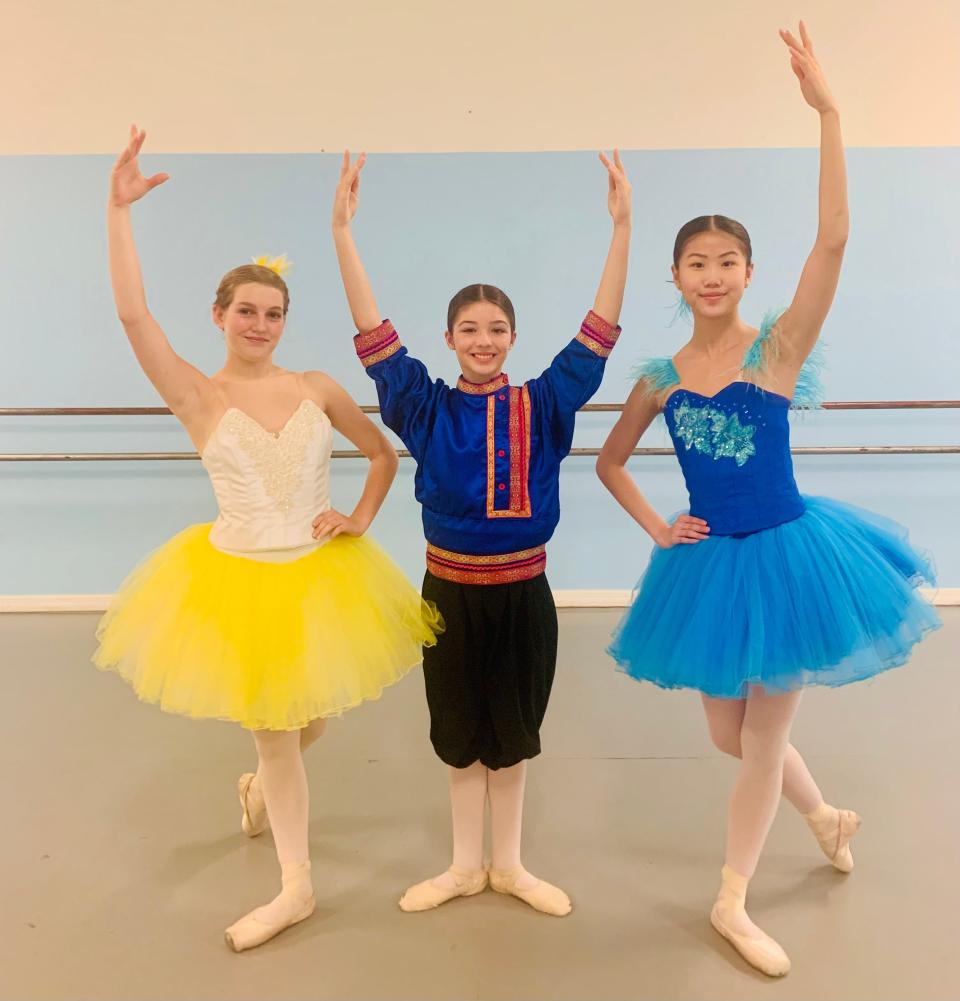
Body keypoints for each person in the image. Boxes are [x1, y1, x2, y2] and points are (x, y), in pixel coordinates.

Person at [597, 25, 940, 976]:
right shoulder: (662, 375)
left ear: (747, 273)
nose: (712, 274)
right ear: (676, 278)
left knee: (760, 739)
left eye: (727, 261)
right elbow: (611, 462)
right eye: (696, 262)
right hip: (706, 559)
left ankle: (731, 898)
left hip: (789, 555)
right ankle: (827, 815)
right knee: (727, 730)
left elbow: (833, 239)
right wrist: (659, 524)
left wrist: (829, 112)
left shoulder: (774, 351)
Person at [94, 126, 442, 952]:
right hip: (239, 577)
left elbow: (383, 452)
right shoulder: (197, 395)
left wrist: (358, 517)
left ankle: (256, 790)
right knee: (279, 732)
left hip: (322, 575)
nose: (261, 323)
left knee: (305, 716)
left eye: (274, 313)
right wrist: (118, 213)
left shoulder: (317, 385)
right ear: (220, 316)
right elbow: (133, 313)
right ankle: (297, 885)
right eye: (246, 311)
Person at [331, 147, 632, 916]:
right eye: (470, 328)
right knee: (458, 732)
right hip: (448, 596)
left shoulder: (547, 402)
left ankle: (512, 864)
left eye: (497, 328)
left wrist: (621, 228)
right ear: (450, 338)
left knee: (515, 732)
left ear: (513, 337)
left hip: (525, 593)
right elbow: (374, 337)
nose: (484, 339)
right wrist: (343, 233)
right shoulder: (423, 406)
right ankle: (465, 865)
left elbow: (598, 333)